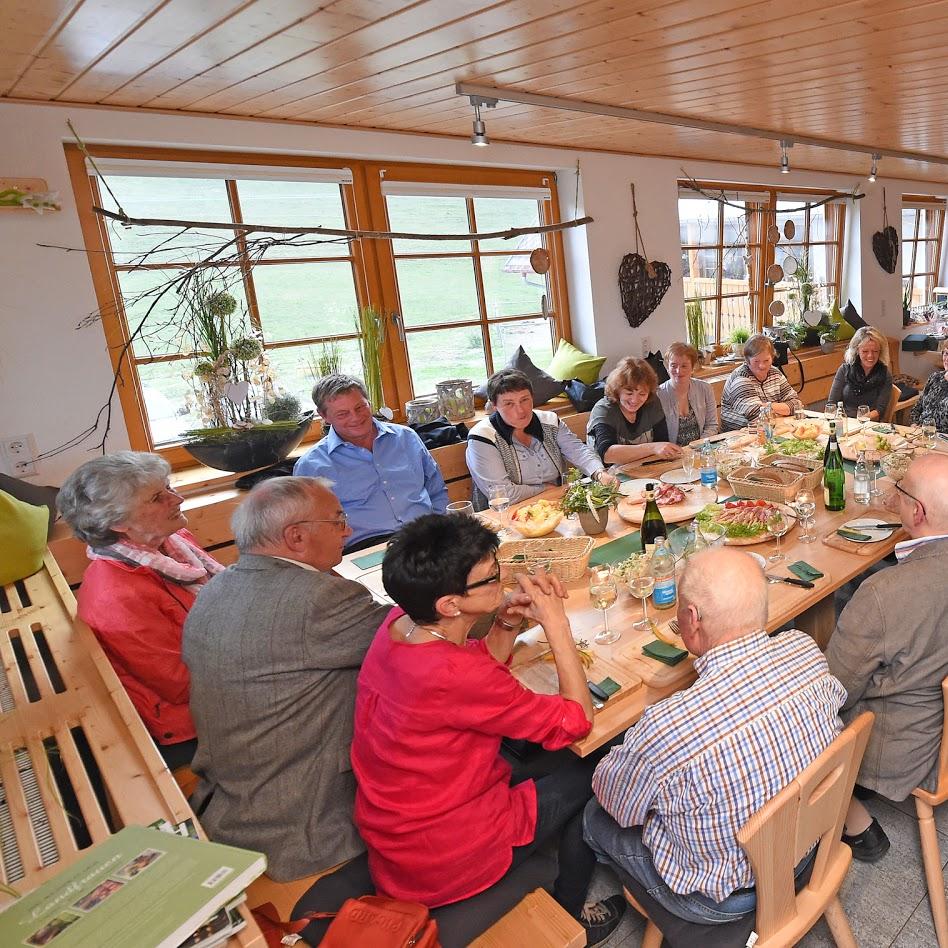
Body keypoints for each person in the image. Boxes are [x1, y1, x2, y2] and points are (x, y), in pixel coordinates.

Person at [350, 513, 626, 945]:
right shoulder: (453, 674)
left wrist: (507, 621)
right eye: (492, 577)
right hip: (449, 850)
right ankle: (573, 912)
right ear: (450, 605)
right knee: (600, 765)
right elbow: (576, 721)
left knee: (542, 759)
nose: (504, 579)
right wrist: (557, 624)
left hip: (398, 830)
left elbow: (475, 671)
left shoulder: (398, 627)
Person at [584, 548, 846, 927]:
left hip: (725, 901)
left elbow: (615, 802)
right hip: (808, 849)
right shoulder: (805, 649)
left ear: (690, 619)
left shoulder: (668, 726)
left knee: (593, 816)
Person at [183, 476, 390, 881]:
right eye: (338, 520)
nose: (348, 530)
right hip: (306, 825)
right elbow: (424, 637)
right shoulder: (318, 600)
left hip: (233, 804)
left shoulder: (218, 585)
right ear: (295, 537)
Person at [56, 452, 224, 769]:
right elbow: (183, 685)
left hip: (223, 676)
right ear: (119, 523)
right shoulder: (116, 596)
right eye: (158, 497)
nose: (178, 498)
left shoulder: (174, 541)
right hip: (190, 722)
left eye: (170, 486)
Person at [826, 453, 948, 862]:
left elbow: (832, 692)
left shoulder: (884, 594)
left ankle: (851, 818)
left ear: (917, 510)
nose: (893, 494)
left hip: (898, 749)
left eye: (900, 489)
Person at [293, 375, 448, 551]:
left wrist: (440, 528)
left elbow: (436, 489)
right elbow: (312, 529)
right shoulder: (312, 465)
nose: (355, 418)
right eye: (343, 414)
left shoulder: (406, 437)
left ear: (369, 402)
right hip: (368, 548)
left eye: (360, 407)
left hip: (427, 536)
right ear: (323, 416)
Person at [467, 368, 607, 509]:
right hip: (505, 515)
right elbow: (502, 494)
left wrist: (599, 473)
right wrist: (544, 488)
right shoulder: (482, 438)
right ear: (495, 405)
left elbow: (579, 451)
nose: (520, 410)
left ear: (532, 397)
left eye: (524, 400)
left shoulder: (549, 421)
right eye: (509, 403)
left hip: (555, 504)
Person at [586, 357, 682, 464]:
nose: (634, 400)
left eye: (642, 394)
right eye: (629, 393)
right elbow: (607, 454)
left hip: (642, 470)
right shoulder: (604, 410)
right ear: (617, 390)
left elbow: (662, 441)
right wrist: (652, 448)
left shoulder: (652, 403)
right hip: (607, 475)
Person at [720, 334, 803, 431]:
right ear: (747, 360)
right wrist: (782, 409)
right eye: (756, 361)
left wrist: (767, 406)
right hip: (738, 437)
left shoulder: (775, 373)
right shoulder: (741, 378)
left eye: (766, 360)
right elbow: (757, 416)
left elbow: (797, 405)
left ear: (772, 358)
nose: (762, 366)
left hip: (772, 430)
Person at [656, 342, 719, 445]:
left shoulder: (705, 388)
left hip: (702, 449)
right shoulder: (658, 395)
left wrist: (698, 445)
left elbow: (712, 425)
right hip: (671, 455)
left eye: (684, 366)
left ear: (692, 367)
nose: (678, 370)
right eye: (673, 365)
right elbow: (657, 437)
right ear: (667, 368)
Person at [826, 326, 893, 420]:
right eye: (865, 351)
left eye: (875, 351)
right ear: (857, 350)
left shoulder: (885, 374)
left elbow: (880, 410)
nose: (870, 356)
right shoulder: (844, 370)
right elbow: (831, 404)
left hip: (868, 423)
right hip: (843, 421)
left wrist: (860, 420)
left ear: (880, 352)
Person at [911, 344, 948, 433]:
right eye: (946, 353)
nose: (946, 359)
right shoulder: (935, 377)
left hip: (942, 439)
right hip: (919, 433)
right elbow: (918, 406)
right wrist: (914, 424)